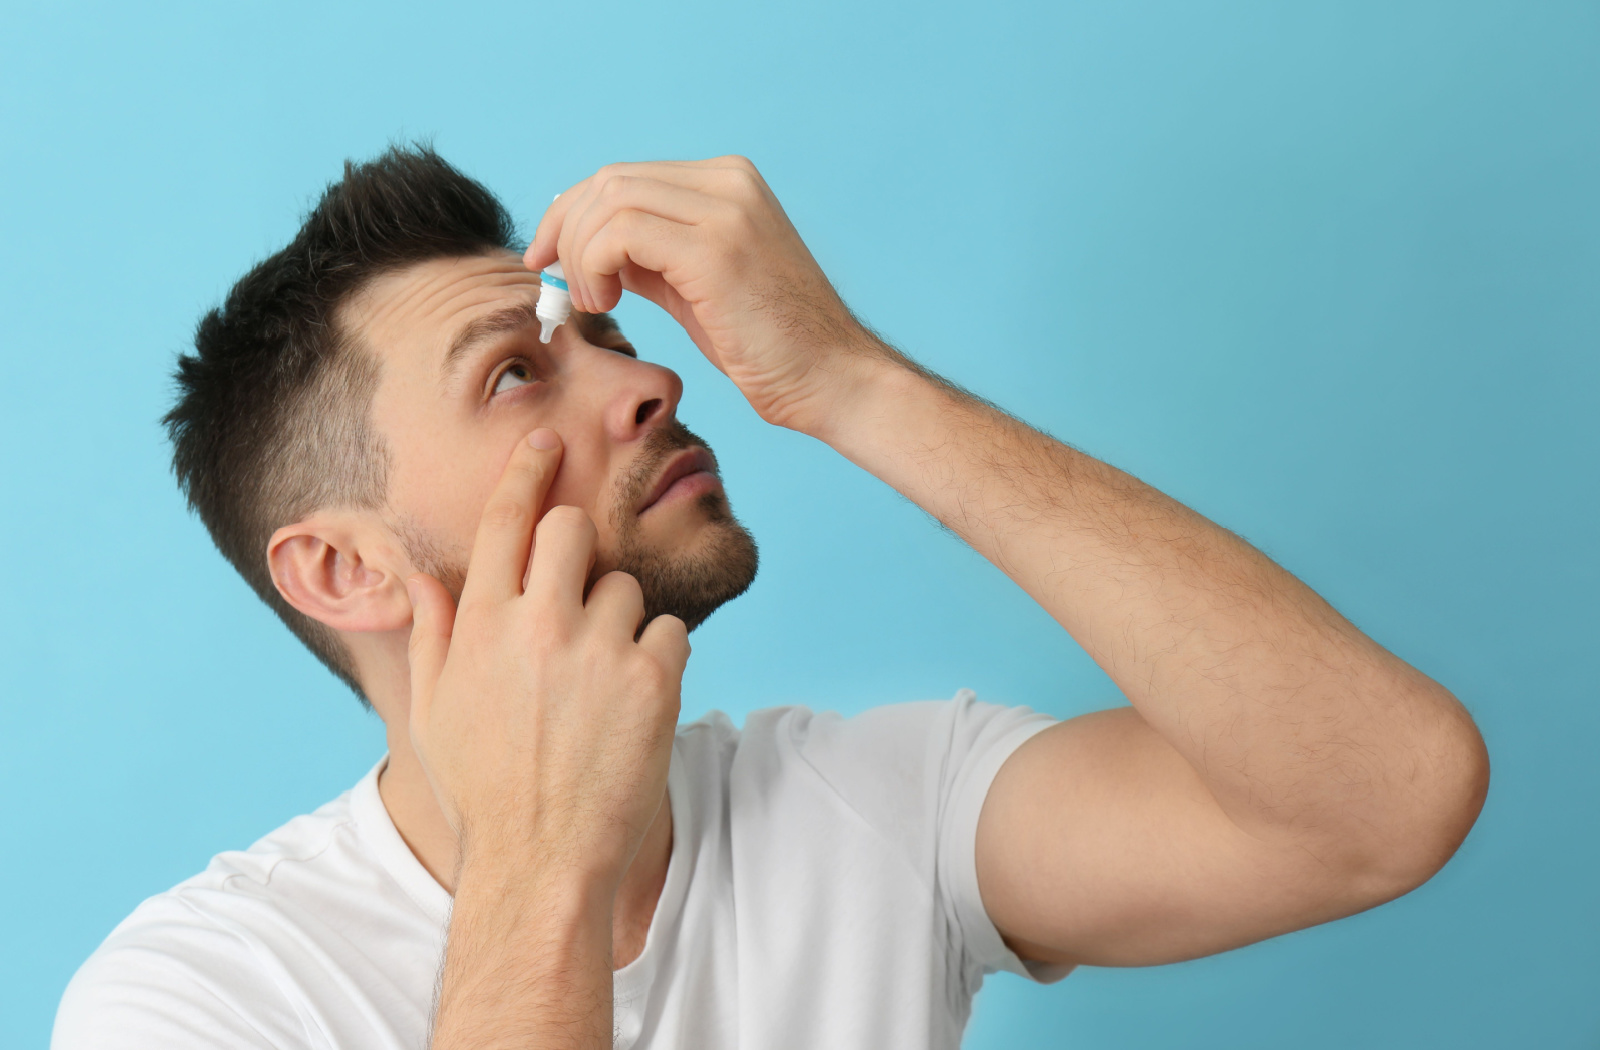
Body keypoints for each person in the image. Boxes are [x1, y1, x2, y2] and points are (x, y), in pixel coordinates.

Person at [53, 147, 1489, 1050]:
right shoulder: (194, 998)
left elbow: (1386, 794)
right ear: (344, 569)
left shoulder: (873, 809)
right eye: (515, 371)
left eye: (609, 337)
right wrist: (546, 858)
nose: (646, 379)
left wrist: (853, 380)